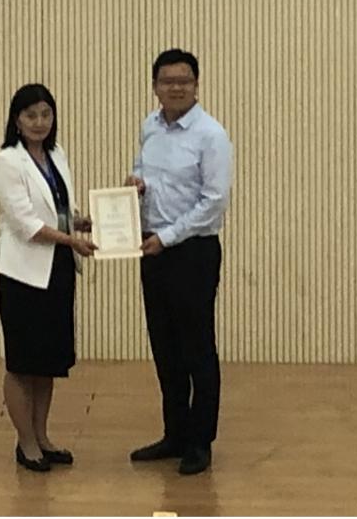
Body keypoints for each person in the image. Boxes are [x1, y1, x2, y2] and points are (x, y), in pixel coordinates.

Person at [125, 49, 233, 476]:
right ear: (155, 86)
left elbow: (214, 201)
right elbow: (144, 174)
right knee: (164, 346)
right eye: (167, 81)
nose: (176, 87)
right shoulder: (149, 127)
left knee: (196, 348)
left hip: (192, 252)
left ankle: (200, 442)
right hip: (151, 249)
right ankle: (175, 433)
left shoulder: (211, 135)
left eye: (184, 80)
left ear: (196, 84)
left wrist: (167, 237)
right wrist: (135, 186)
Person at [0, 83, 97, 472]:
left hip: (58, 270)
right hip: (23, 275)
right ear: (16, 120)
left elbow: (58, 209)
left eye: (46, 114)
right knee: (22, 362)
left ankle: (42, 436)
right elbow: (26, 224)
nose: (39, 122)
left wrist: (81, 222)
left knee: (47, 361)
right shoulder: (8, 162)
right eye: (31, 115)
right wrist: (71, 239)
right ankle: (26, 442)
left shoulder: (56, 154)